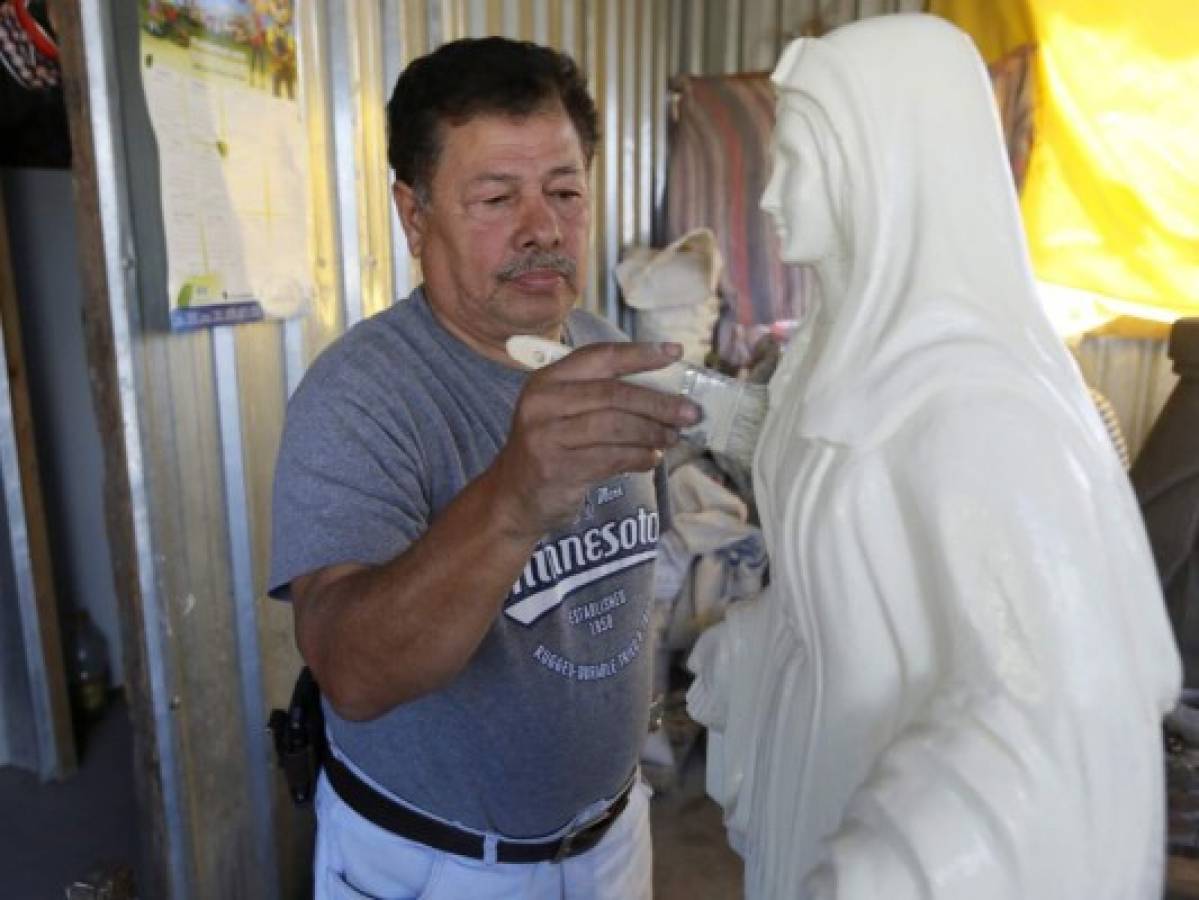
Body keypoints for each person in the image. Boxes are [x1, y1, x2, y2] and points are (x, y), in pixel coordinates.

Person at [686, 14, 1181, 899]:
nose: (769, 195)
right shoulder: (838, 358)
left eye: (796, 163)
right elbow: (828, 470)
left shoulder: (979, 410)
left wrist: (898, 873)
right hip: (821, 783)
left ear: (884, 172)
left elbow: (1052, 712)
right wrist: (695, 405)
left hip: (880, 836)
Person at [269, 36, 697, 900]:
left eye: (565, 192)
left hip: (615, 836)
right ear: (414, 213)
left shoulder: (606, 349)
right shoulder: (361, 395)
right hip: (440, 867)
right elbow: (349, 673)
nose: (542, 228)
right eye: (497, 197)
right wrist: (513, 498)